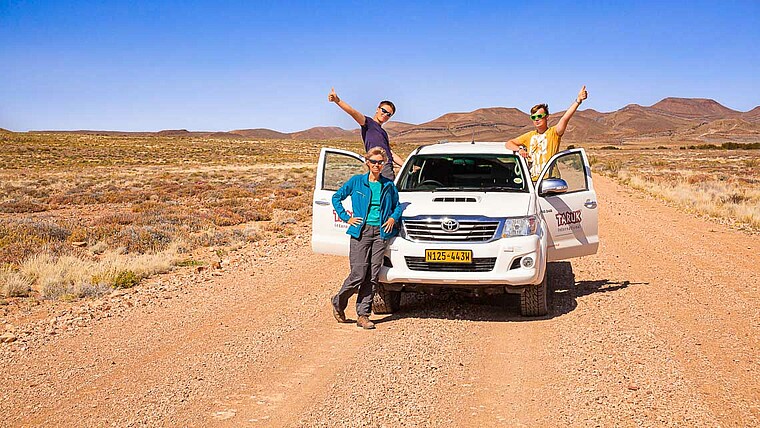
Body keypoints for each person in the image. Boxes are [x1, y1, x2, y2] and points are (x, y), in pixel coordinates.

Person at [331, 147, 404, 329]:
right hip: (360, 232)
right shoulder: (357, 182)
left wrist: (393, 217)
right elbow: (336, 197)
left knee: (372, 276)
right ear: (367, 162)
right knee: (358, 274)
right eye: (373, 162)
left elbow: (398, 206)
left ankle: (363, 315)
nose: (377, 165)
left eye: (380, 162)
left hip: (380, 233)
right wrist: (347, 218)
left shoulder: (388, 185)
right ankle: (338, 301)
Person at [505, 86, 589, 181]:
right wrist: (519, 150)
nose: (537, 119)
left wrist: (578, 101)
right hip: (531, 182)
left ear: (547, 117)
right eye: (533, 117)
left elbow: (565, 118)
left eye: (540, 116)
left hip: (550, 180)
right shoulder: (529, 136)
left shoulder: (554, 133)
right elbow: (508, 143)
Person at [328, 87, 404, 180]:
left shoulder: (383, 132)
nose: (385, 115)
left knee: (386, 193)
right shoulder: (368, 123)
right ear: (378, 109)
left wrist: (405, 165)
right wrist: (337, 100)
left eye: (389, 114)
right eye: (384, 111)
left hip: (387, 168)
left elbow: (390, 153)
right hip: (377, 165)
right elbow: (353, 112)